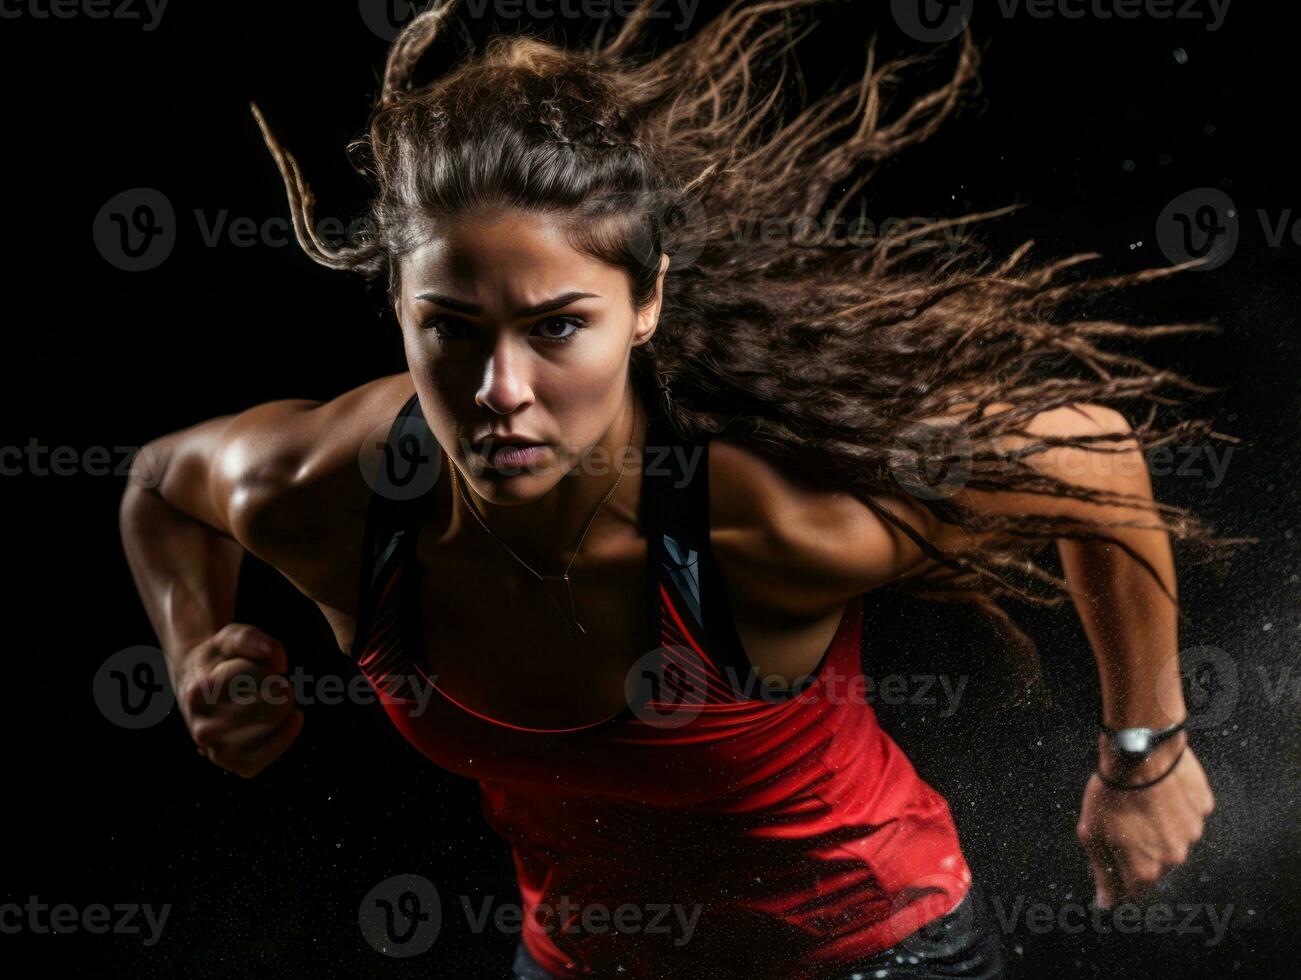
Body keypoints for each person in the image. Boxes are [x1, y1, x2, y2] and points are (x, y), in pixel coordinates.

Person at [118, 2, 1228, 977]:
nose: (500, 389)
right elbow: (159, 483)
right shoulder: (322, 494)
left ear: (644, 301)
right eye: (448, 329)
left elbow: (1086, 452)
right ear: (398, 307)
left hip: (873, 961)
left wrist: (1146, 753)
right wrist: (190, 651)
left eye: (558, 326)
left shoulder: (761, 525)